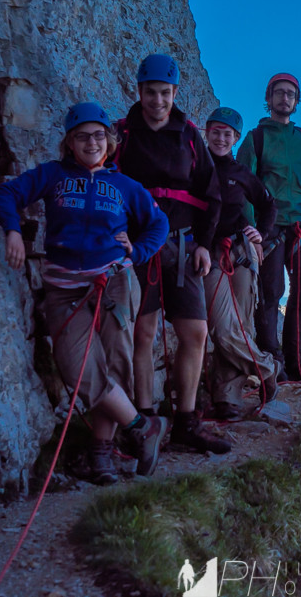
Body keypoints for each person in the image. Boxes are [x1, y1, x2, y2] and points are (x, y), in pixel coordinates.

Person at [0, 101, 169, 482]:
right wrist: (11, 231)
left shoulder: (124, 186)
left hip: (113, 281)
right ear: (69, 142)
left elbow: (158, 223)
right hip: (64, 289)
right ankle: (142, 427)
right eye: (83, 136)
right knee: (77, 368)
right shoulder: (53, 175)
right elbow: (6, 195)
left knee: (114, 364)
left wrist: (137, 251)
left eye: (99, 135)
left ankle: (102, 453)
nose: (92, 142)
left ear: (111, 141)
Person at [113, 54, 230, 454]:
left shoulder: (190, 137)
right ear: (139, 92)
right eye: (151, 92)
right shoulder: (123, 134)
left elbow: (210, 195)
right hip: (140, 246)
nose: (158, 101)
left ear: (175, 93)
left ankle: (185, 421)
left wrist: (205, 245)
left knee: (194, 332)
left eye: (165, 93)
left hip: (183, 245)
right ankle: (144, 422)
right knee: (142, 333)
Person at [236, 73, 301, 382]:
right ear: (269, 98)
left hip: (299, 224)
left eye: (290, 94)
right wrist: (252, 231)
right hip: (270, 226)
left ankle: (296, 361)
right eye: (279, 93)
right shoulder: (256, 138)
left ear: (296, 101)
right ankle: (272, 362)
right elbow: (243, 185)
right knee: (270, 292)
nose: (285, 98)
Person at [202, 106, 280, 419]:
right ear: (207, 133)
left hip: (240, 252)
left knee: (242, 324)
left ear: (235, 138)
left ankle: (227, 397)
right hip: (210, 255)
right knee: (222, 328)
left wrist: (259, 233)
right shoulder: (196, 167)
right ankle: (266, 368)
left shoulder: (241, 174)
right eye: (216, 132)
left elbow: (268, 204)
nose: (221, 138)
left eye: (227, 134)